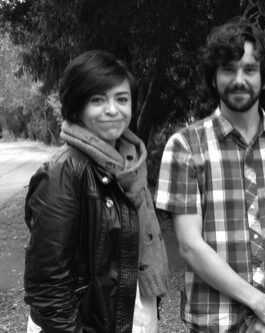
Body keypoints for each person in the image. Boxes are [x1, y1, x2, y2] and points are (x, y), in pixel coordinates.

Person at [156, 18, 265, 333]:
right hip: (215, 320)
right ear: (213, 78)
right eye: (228, 69)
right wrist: (259, 303)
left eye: (249, 69)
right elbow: (189, 245)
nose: (239, 79)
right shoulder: (184, 146)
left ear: (264, 79)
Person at [24, 50, 169, 332]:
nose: (113, 110)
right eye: (98, 100)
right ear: (77, 107)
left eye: (122, 99)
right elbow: (47, 286)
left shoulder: (129, 165)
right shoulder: (64, 171)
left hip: (130, 312)